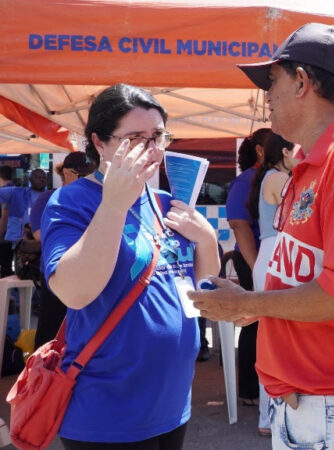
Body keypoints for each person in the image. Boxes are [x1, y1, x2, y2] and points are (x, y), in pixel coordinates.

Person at [190, 22, 334, 449]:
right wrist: (253, 307)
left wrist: (251, 303)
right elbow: (311, 275)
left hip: (333, 405)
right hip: (316, 404)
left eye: (272, 82)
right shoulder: (318, 162)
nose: (266, 98)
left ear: (303, 82)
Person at [41, 83, 219, 448]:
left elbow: (206, 289)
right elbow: (73, 292)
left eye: (157, 136)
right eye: (136, 138)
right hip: (106, 410)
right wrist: (114, 204)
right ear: (101, 142)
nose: (152, 150)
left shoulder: (166, 202)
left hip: (171, 404)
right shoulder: (71, 201)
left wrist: (207, 240)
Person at [245, 130, 298, 437]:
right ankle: (270, 416)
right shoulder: (278, 179)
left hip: (279, 253)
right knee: (276, 338)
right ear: (286, 152)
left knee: (277, 336)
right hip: (278, 254)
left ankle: (271, 415)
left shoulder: (272, 177)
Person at [30, 151, 96, 350]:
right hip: (56, 272)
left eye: (93, 174)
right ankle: (40, 377)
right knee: (50, 330)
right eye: (84, 176)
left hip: (89, 272)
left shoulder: (94, 196)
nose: (90, 180)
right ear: (67, 173)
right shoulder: (48, 198)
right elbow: (40, 234)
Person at [225, 129, 265, 406]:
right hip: (253, 258)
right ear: (263, 149)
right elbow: (239, 225)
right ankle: (250, 390)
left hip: (269, 259)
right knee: (254, 320)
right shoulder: (246, 181)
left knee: (268, 319)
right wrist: (256, 265)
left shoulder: (271, 177)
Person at [0, 165, 15, 277]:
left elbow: (4, 215)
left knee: (5, 267)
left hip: (4, 235)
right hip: (15, 234)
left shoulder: (4, 192)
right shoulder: (17, 190)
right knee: (7, 266)